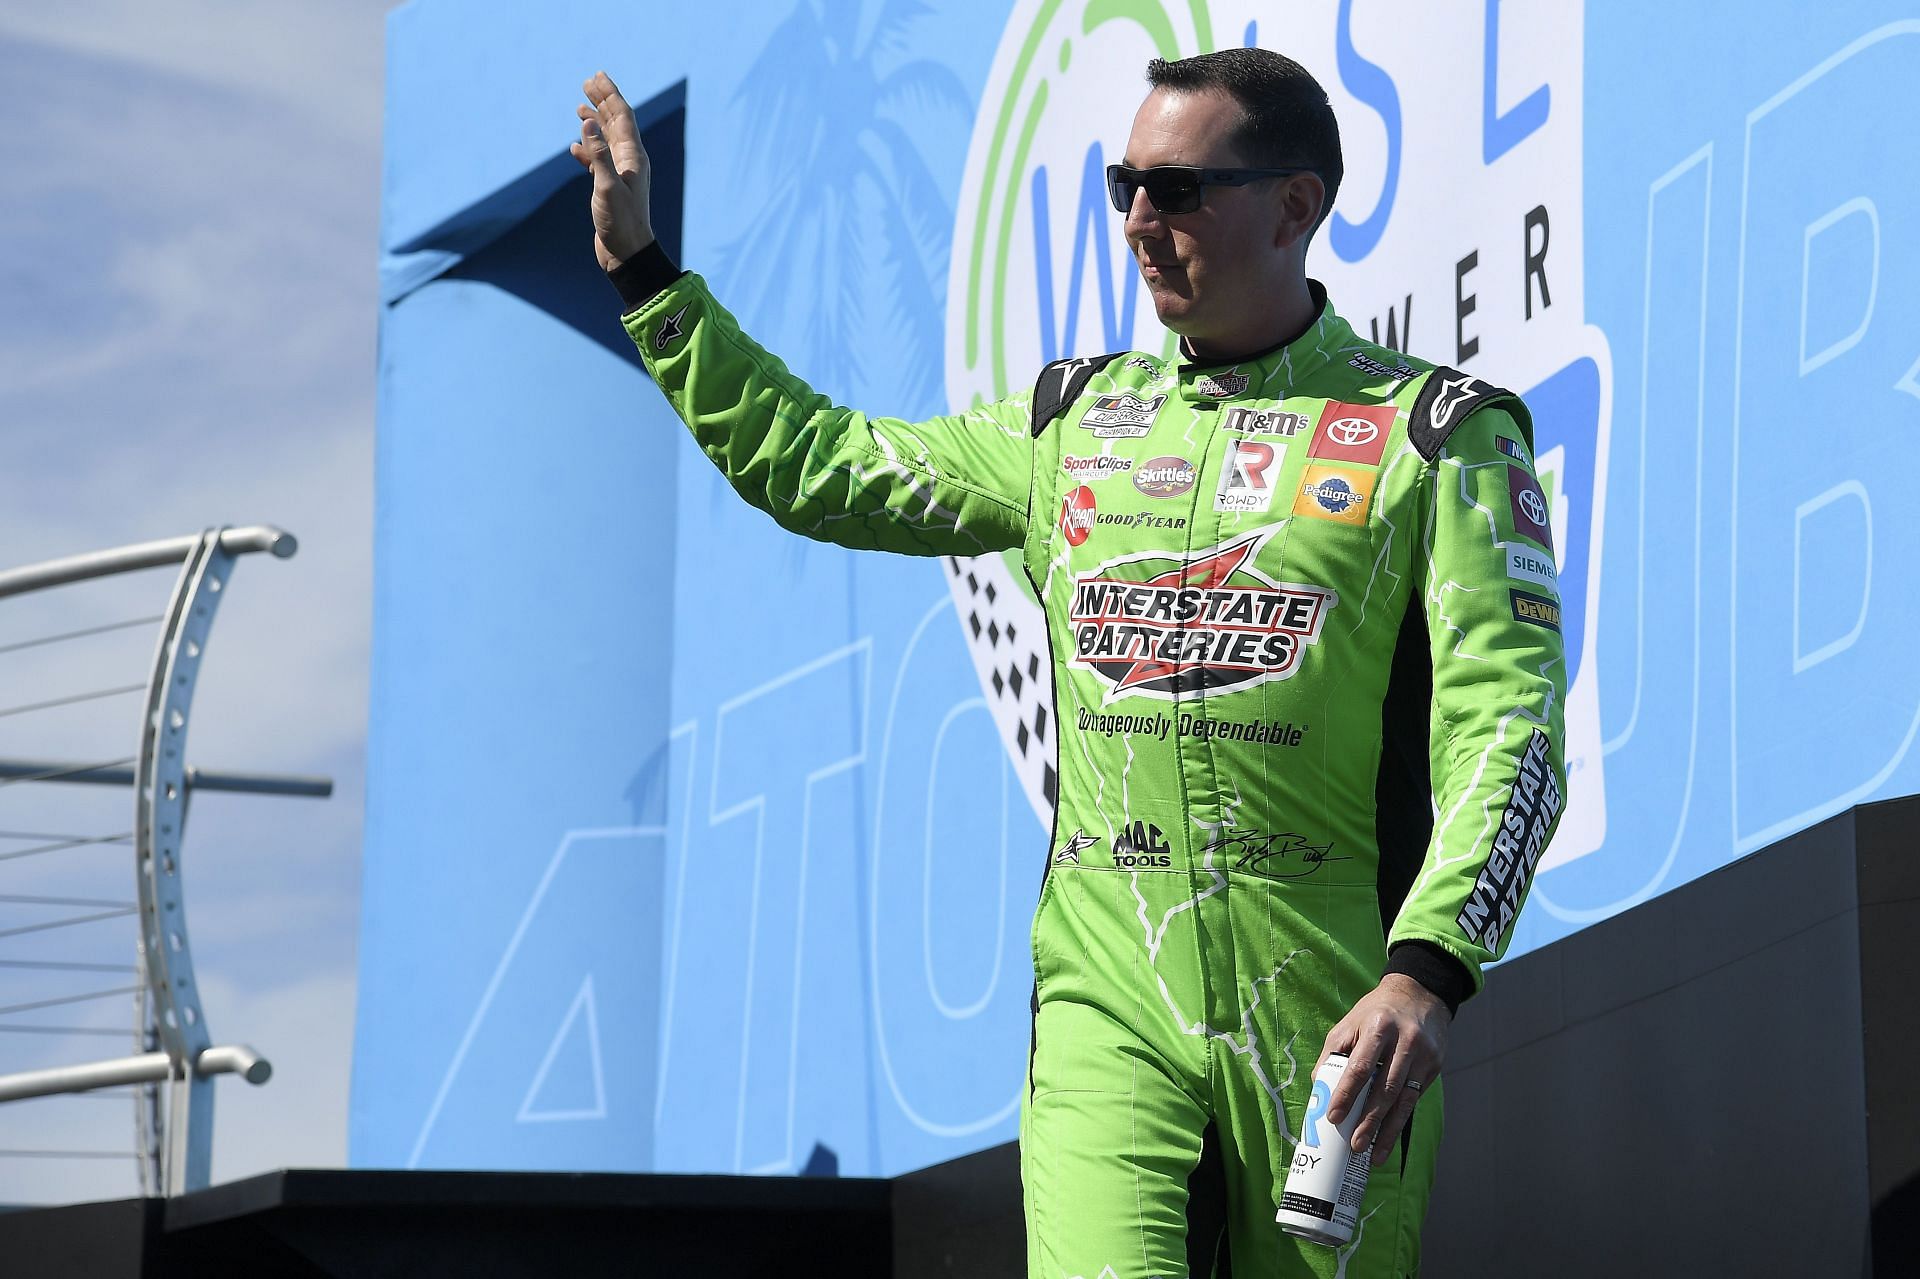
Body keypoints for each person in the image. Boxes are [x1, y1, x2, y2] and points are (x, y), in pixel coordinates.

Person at [570, 46, 1566, 1279]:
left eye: (1182, 189)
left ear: (1297, 207)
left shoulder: (1442, 436)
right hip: (1110, 997)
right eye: (1124, 186)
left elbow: (1510, 735)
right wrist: (643, 273)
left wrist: (1429, 972)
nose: (1142, 221)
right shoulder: (1069, 424)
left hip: (1333, 1017)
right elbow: (814, 463)